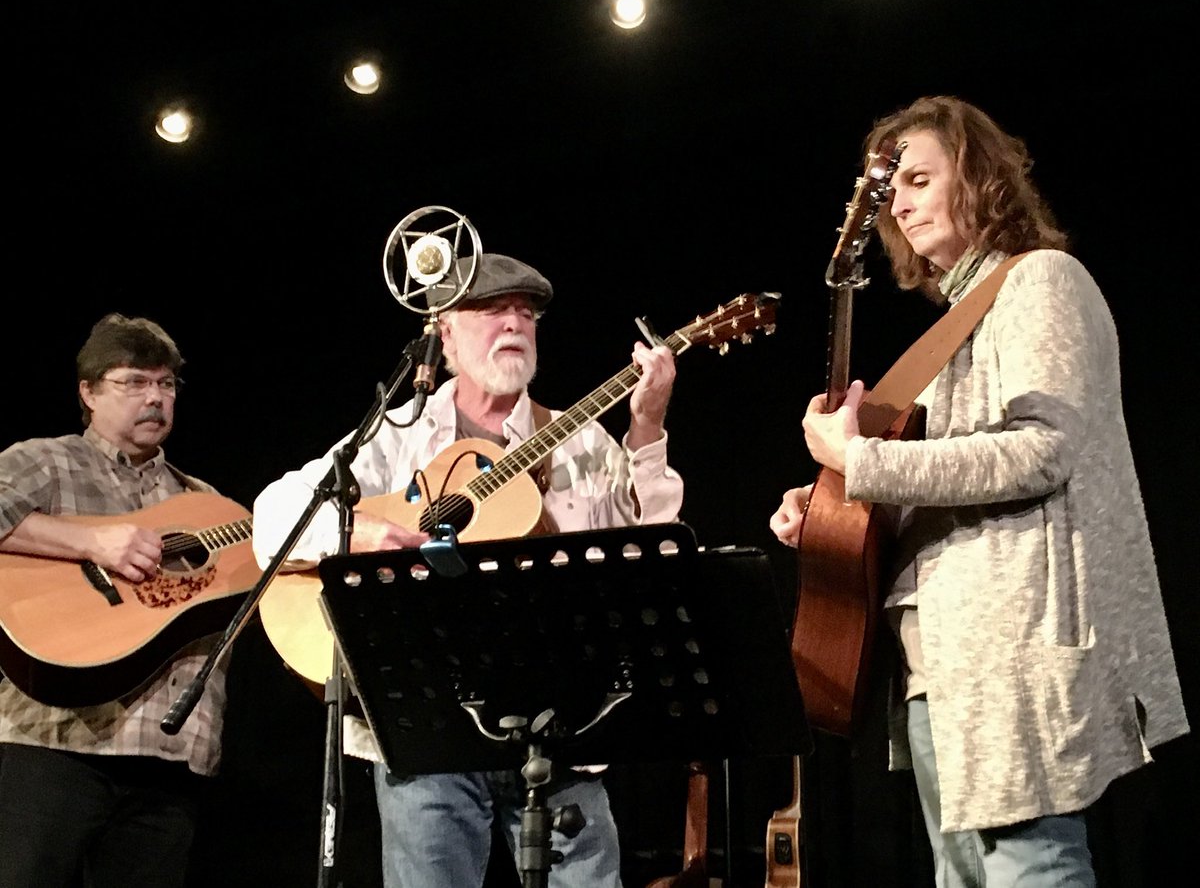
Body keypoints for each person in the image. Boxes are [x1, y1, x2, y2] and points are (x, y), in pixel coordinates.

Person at [769, 96, 1189, 887]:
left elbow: (1040, 449)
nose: (900, 201)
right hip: (943, 664)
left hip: (1014, 645)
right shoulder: (958, 323)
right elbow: (946, 478)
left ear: (982, 178)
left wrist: (861, 463)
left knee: (1030, 866)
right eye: (894, 189)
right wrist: (828, 505)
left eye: (921, 178)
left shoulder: (1040, 282)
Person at [251, 251, 683, 888]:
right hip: (431, 720)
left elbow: (657, 552)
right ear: (443, 330)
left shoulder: (578, 440)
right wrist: (361, 530)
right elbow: (275, 515)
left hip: (559, 720)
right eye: (492, 309)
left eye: (526, 312)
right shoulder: (396, 435)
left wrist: (646, 424)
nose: (515, 322)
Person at [0, 313, 230, 888]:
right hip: (56, 737)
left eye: (166, 384)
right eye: (134, 382)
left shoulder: (206, 502)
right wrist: (89, 540)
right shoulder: (47, 460)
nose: (155, 398)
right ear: (88, 391)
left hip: (169, 758)